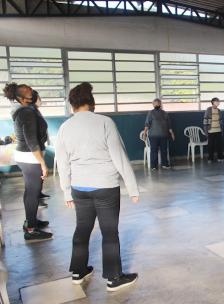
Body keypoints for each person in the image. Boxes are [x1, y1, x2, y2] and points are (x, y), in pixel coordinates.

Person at [56, 82, 139, 292]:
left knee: (82, 229)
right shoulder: (105, 122)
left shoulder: (65, 127)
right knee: (109, 232)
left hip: (79, 188)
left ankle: (78, 271)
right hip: (105, 187)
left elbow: (62, 162)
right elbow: (119, 156)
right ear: (91, 102)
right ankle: (114, 278)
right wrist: (132, 188)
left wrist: (66, 191)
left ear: (72, 105)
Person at [3, 83, 52, 241]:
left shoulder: (27, 110)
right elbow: (31, 141)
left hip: (28, 157)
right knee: (33, 192)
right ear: (21, 98)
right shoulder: (26, 113)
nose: (32, 93)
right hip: (30, 157)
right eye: (28, 92)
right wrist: (43, 164)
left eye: (30, 90)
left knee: (31, 191)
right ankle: (31, 230)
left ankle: (30, 221)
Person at [144, 99, 175, 170]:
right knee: (154, 151)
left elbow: (169, 125)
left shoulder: (165, 113)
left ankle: (165, 164)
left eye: (158, 103)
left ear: (160, 104)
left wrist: (172, 133)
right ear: (153, 104)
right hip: (153, 136)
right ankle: (153, 166)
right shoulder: (150, 113)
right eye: (155, 103)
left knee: (164, 150)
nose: (157, 105)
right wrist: (145, 133)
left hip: (164, 135)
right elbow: (147, 124)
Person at [31, 90, 51, 201]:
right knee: (39, 174)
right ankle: (36, 196)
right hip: (37, 147)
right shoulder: (31, 111)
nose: (40, 100)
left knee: (41, 174)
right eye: (39, 98)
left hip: (41, 145)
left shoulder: (36, 110)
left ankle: (39, 193)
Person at [203, 97, 224, 163]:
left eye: (218, 101)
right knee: (211, 145)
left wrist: (222, 129)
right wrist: (206, 131)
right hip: (211, 131)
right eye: (217, 101)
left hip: (218, 130)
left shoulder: (219, 110)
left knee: (219, 145)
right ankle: (210, 158)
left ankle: (220, 157)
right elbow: (205, 120)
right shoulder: (208, 110)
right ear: (213, 102)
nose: (218, 103)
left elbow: (220, 120)